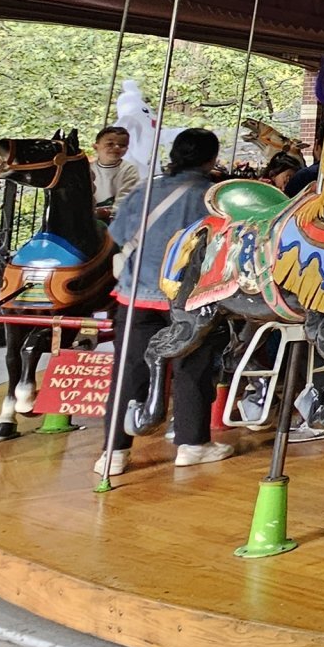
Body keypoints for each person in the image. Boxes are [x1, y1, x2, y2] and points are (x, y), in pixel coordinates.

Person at [101, 128, 228, 473]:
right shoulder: (214, 198)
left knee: (129, 369)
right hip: (189, 298)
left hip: (137, 293)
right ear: (211, 159)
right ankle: (192, 444)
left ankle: (113, 452)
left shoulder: (145, 191)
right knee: (192, 367)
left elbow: (118, 236)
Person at [88, 126, 141, 216]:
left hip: (116, 217)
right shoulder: (88, 168)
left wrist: (110, 212)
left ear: (127, 149)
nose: (116, 147)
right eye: (110, 144)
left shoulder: (129, 170)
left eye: (122, 145)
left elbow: (126, 198)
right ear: (95, 146)